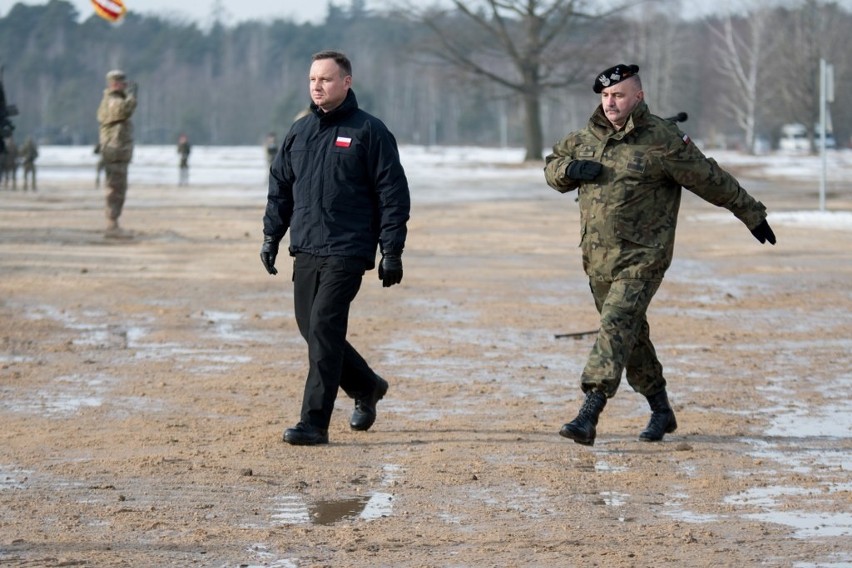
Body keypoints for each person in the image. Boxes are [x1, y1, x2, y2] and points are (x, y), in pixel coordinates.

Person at [544, 64, 776, 446]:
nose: (610, 102)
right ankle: (661, 409)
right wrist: (570, 169)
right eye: (605, 96)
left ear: (638, 97)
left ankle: (591, 409)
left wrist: (751, 213)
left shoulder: (664, 140)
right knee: (630, 336)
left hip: (643, 258)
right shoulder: (585, 138)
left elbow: (710, 177)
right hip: (599, 260)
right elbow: (552, 167)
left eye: (618, 95)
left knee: (616, 324)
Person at [260, 50, 411, 446]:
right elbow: (280, 189)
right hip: (306, 245)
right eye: (312, 79)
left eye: (326, 79)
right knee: (311, 329)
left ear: (346, 82)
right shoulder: (299, 132)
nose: (317, 86)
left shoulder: (370, 131)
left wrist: (391, 250)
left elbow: (393, 194)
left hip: (348, 248)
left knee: (324, 327)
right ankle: (367, 385)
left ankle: (313, 423)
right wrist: (271, 236)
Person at [96, 69, 137, 237]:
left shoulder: (115, 99)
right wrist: (132, 98)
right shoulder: (113, 100)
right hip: (114, 151)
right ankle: (112, 224)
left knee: (119, 187)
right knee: (115, 188)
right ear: (114, 83)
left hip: (118, 151)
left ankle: (113, 222)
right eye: (121, 82)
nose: (125, 85)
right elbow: (123, 112)